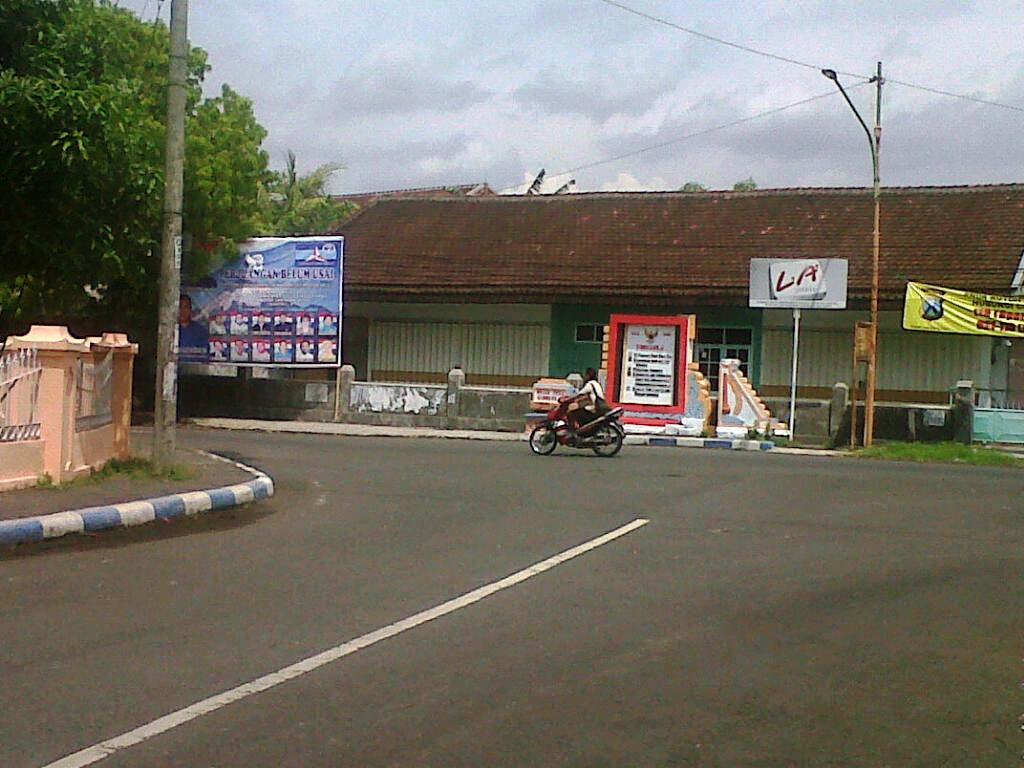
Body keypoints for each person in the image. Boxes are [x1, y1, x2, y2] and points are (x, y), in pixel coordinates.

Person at [569, 367, 607, 432]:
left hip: (595, 407)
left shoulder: (589, 384)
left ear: (588, 375)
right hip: (600, 406)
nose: (584, 377)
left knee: (574, 412)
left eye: (586, 375)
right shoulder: (596, 383)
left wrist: (569, 399)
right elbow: (588, 395)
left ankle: (578, 430)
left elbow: (579, 394)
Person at [178, 294, 209, 362]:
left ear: (190, 309)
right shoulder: (171, 330)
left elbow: (205, 355)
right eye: (180, 307)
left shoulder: (201, 331)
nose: (183, 311)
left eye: (186, 307)